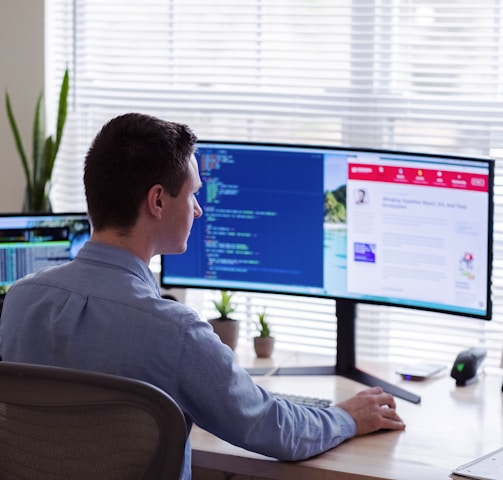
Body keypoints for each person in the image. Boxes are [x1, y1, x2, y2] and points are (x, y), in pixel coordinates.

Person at [0, 113, 405, 479]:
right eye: (193, 194)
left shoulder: (19, 301)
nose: (198, 211)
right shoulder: (175, 332)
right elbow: (273, 428)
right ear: (158, 201)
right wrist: (347, 417)